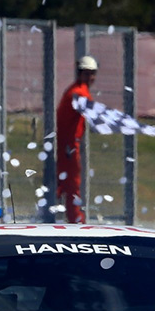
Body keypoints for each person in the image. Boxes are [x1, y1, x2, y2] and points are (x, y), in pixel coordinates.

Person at [56, 55, 98, 223]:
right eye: (87, 74)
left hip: (70, 143)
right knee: (72, 183)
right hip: (68, 145)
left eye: (92, 74)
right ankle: (76, 221)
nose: (90, 78)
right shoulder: (78, 93)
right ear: (80, 73)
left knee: (64, 182)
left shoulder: (79, 91)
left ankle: (61, 216)